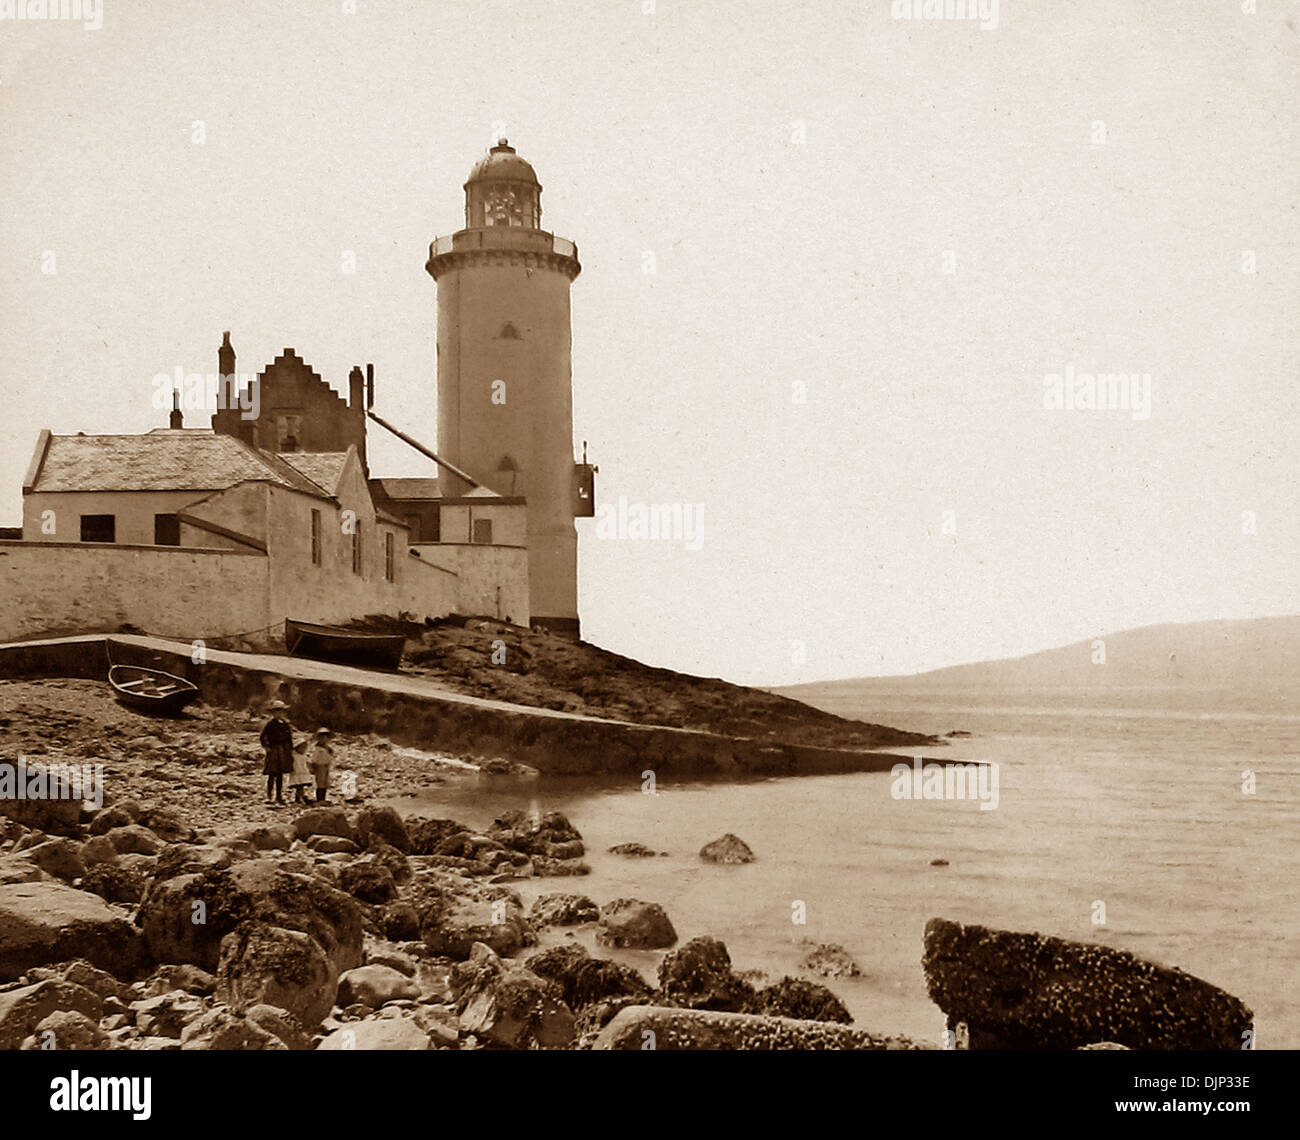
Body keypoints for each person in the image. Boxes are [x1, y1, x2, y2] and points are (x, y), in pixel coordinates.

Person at [260, 700, 294, 805]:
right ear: (273, 713)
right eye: (276, 711)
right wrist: (266, 747)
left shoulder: (285, 724)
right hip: (274, 749)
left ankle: (279, 796)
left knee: (280, 775)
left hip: (283, 750)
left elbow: (289, 738)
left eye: (280, 711)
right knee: (272, 774)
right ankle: (269, 796)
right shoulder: (270, 724)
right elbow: (262, 737)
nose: (278, 714)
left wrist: (290, 750)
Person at [310, 727, 334, 802]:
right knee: (320, 783)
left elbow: (330, 758)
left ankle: (323, 798)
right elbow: (313, 758)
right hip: (319, 766)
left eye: (326, 737)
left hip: (326, 766)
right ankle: (319, 799)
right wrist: (313, 766)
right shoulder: (317, 748)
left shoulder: (328, 748)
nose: (324, 739)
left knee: (325, 783)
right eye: (322, 737)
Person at [287, 737, 313, 804]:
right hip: (296, 771)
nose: (303, 749)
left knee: (301, 786)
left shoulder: (304, 756)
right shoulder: (294, 755)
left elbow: (306, 762)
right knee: (299, 786)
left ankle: (298, 798)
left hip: (303, 772)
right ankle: (303, 797)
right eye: (302, 747)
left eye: (305, 748)